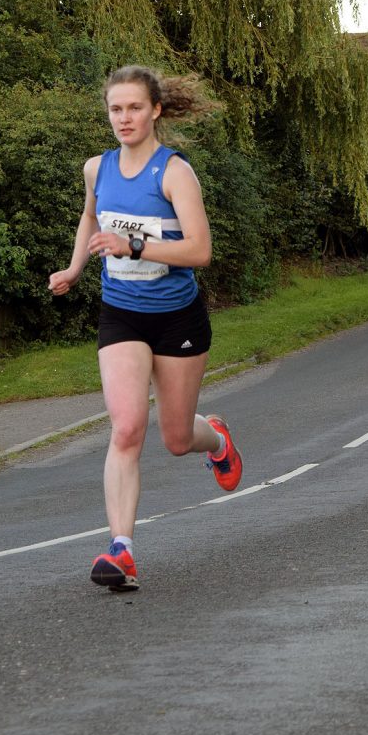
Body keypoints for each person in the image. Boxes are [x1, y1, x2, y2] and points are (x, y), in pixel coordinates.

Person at [49, 65, 243, 591]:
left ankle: (217, 439)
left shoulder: (174, 172)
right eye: (116, 109)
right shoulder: (98, 168)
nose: (124, 118)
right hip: (122, 312)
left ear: (155, 110)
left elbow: (200, 251)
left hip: (177, 317)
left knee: (177, 439)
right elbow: (92, 219)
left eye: (134, 107)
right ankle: (122, 550)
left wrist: (133, 244)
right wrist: (74, 268)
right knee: (127, 427)